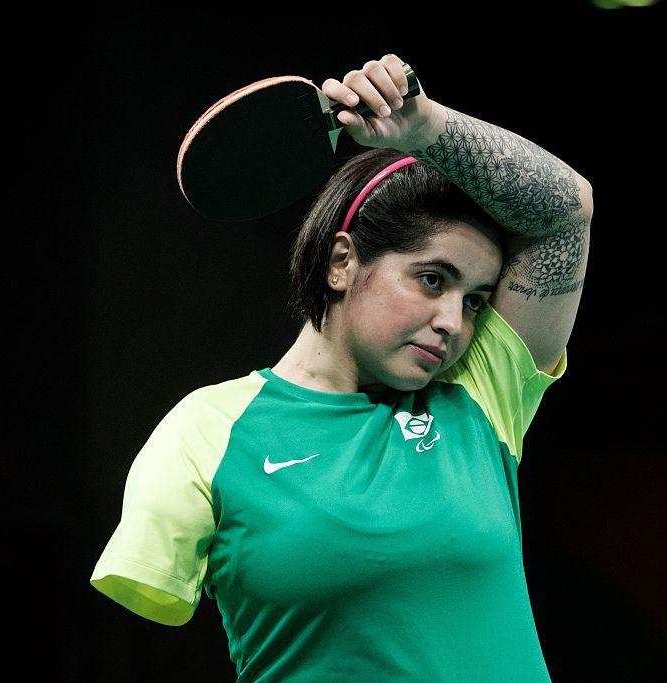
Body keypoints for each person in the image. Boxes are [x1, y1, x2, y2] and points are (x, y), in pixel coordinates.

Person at [90, 54, 592, 681]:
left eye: (475, 301)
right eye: (431, 279)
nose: (453, 323)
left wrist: (422, 127)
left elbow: (564, 211)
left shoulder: (479, 396)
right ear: (343, 262)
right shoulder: (206, 431)